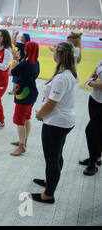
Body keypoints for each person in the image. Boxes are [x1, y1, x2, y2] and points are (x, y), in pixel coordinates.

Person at [32, 42, 79, 204]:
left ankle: (48, 194)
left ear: (59, 55)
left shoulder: (61, 78)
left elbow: (52, 103)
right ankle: (49, 181)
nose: (53, 54)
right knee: (56, 155)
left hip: (56, 122)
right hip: (64, 120)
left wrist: (39, 114)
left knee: (52, 158)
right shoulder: (72, 73)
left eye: (55, 52)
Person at [9, 41, 40, 156]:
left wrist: (15, 59)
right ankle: (24, 140)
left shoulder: (25, 64)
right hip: (32, 93)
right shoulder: (36, 63)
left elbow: (10, 72)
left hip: (23, 95)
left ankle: (22, 146)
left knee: (19, 120)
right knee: (27, 118)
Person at [79, 61, 102, 175]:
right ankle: (96, 156)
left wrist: (91, 83)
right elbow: (94, 73)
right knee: (97, 131)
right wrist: (92, 79)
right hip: (94, 99)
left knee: (90, 131)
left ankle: (93, 163)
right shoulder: (101, 60)